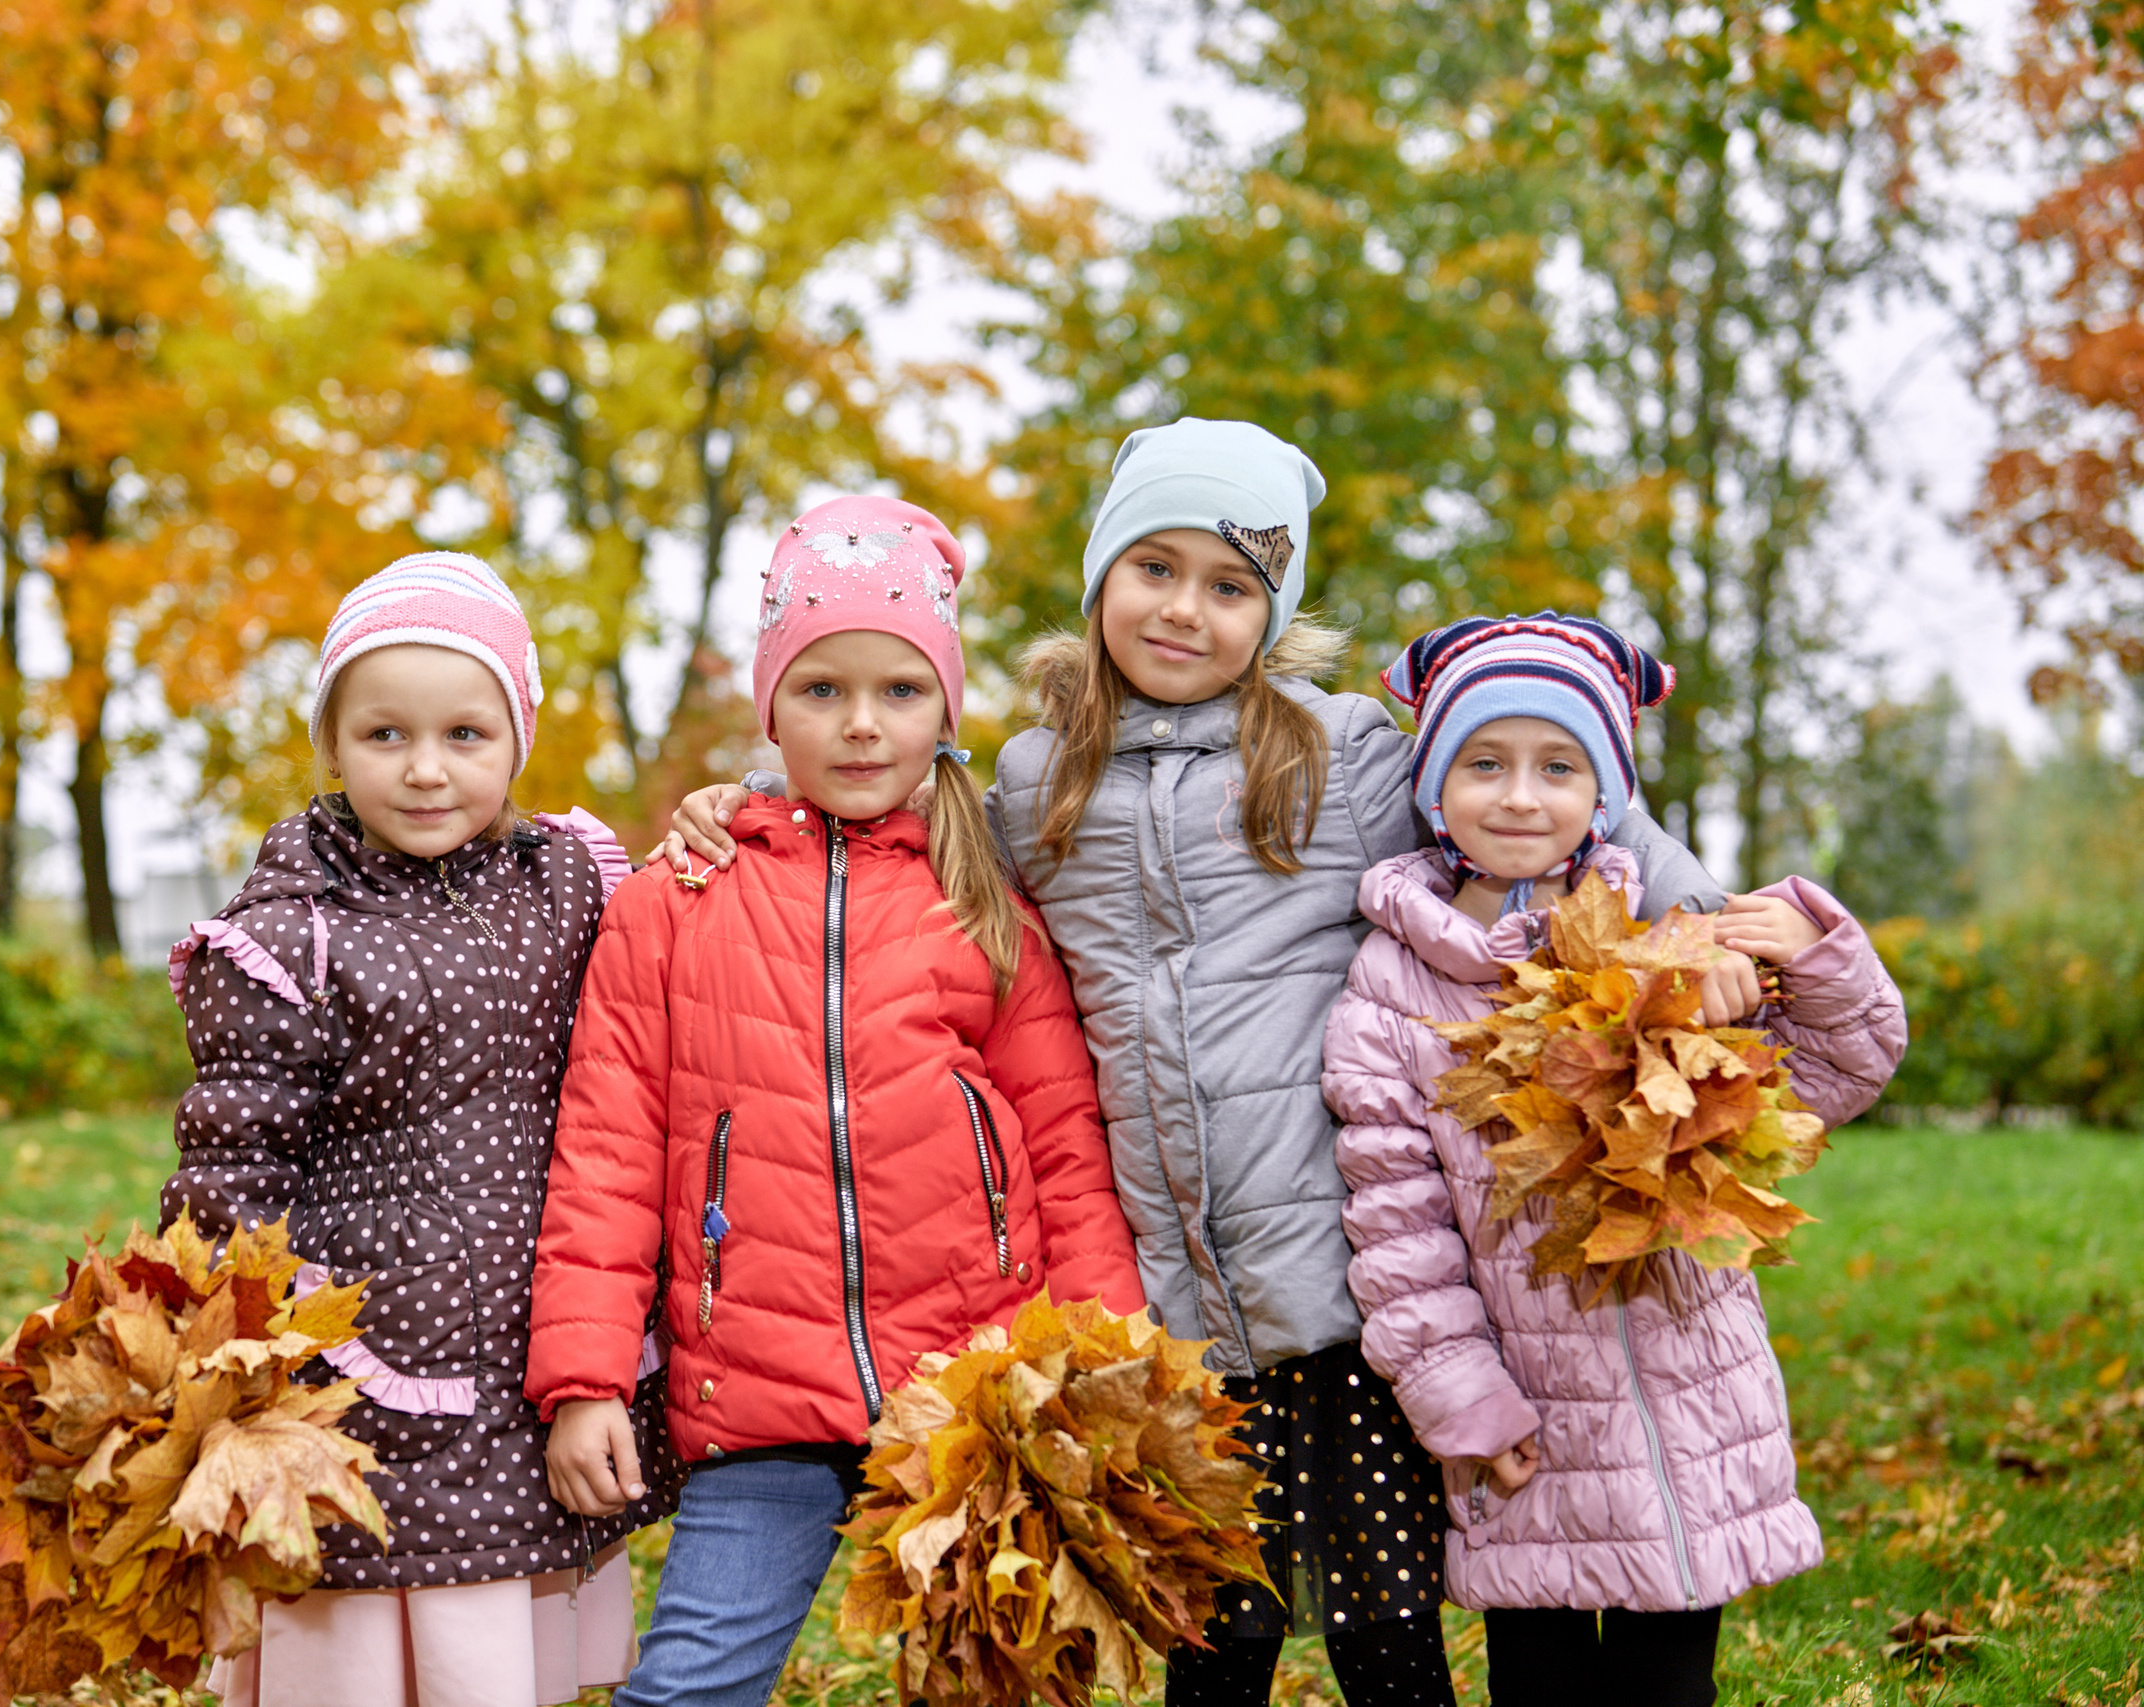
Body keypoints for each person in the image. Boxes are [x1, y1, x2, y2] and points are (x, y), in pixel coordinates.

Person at [658, 418, 1753, 1706]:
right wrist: (737, 797)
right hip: (1173, 1300)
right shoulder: (1033, 780)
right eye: (1154, 568)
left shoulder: (1343, 758)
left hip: (1355, 1286)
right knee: (1215, 1638)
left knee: (1383, 1632)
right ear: (1100, 578)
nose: (1185, 610)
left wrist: (1704, 919)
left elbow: (1538, 798)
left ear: (1273, 611)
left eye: (1231, 586)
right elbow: (884, 799)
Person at [524, 495, 1145, 1707]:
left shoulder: (984, 905)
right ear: (769, 709)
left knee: (1003, 1684)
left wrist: (1103, 1361)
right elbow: (602, 1154)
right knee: (690, 1683)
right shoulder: (675, 900)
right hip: (759, 1392)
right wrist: (587, 1379)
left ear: (945, 712)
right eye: (820, 691)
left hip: (976, 1394)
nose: (862, 726)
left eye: (901, 692)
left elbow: (1066, 1152)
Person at [1321, 614, 1906, 1707]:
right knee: (1538, 1677)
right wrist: (1464, 1403)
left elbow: (1826, 1084)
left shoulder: (1666, 939)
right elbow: (1397, 1234)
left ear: (1605, 793)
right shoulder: (1390, 992)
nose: (1517, 796)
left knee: (1668, 1677)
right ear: (1433, 784)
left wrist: (1818, 961)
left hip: (1689, 1393)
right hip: (1530, 1416)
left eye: (1558, 766)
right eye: (1481, 763)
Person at [161, 554, 674, 1707]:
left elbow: (679, 973)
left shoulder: (574, 886)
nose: (428, 769)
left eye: (466, 735)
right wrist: (233, 1361)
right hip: (363, 1361)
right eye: (385, 735)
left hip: (530, 1339)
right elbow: (229, 1167)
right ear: (334, 746)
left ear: (516, 743)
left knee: (502, 1642)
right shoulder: (293, 936)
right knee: (365, 1627)